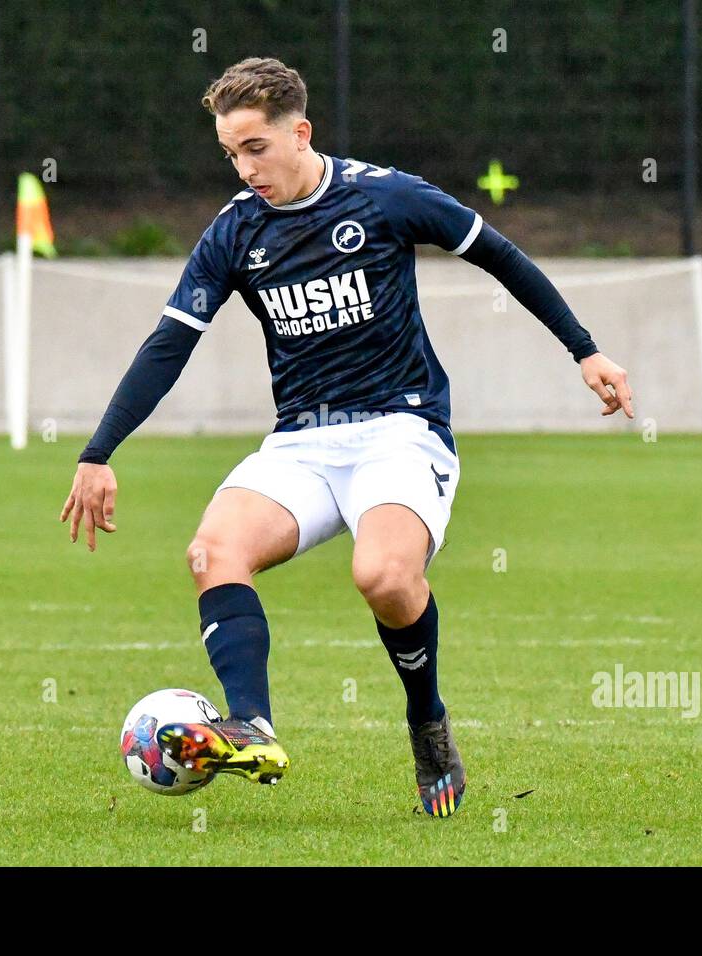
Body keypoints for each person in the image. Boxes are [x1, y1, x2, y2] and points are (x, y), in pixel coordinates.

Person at [61, 57, 633, 817]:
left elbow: (501, 256)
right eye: (231, 152)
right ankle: (252, 725)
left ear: (301, 132)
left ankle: (426, 719)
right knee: (212, 552)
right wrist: (99, 452)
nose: (244, 166)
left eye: (256, 147)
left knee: (385, 580)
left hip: (402, 430)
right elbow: (171, 343)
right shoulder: (235, 232)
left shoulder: (387, 197)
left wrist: (584, 349)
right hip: (302, 443)